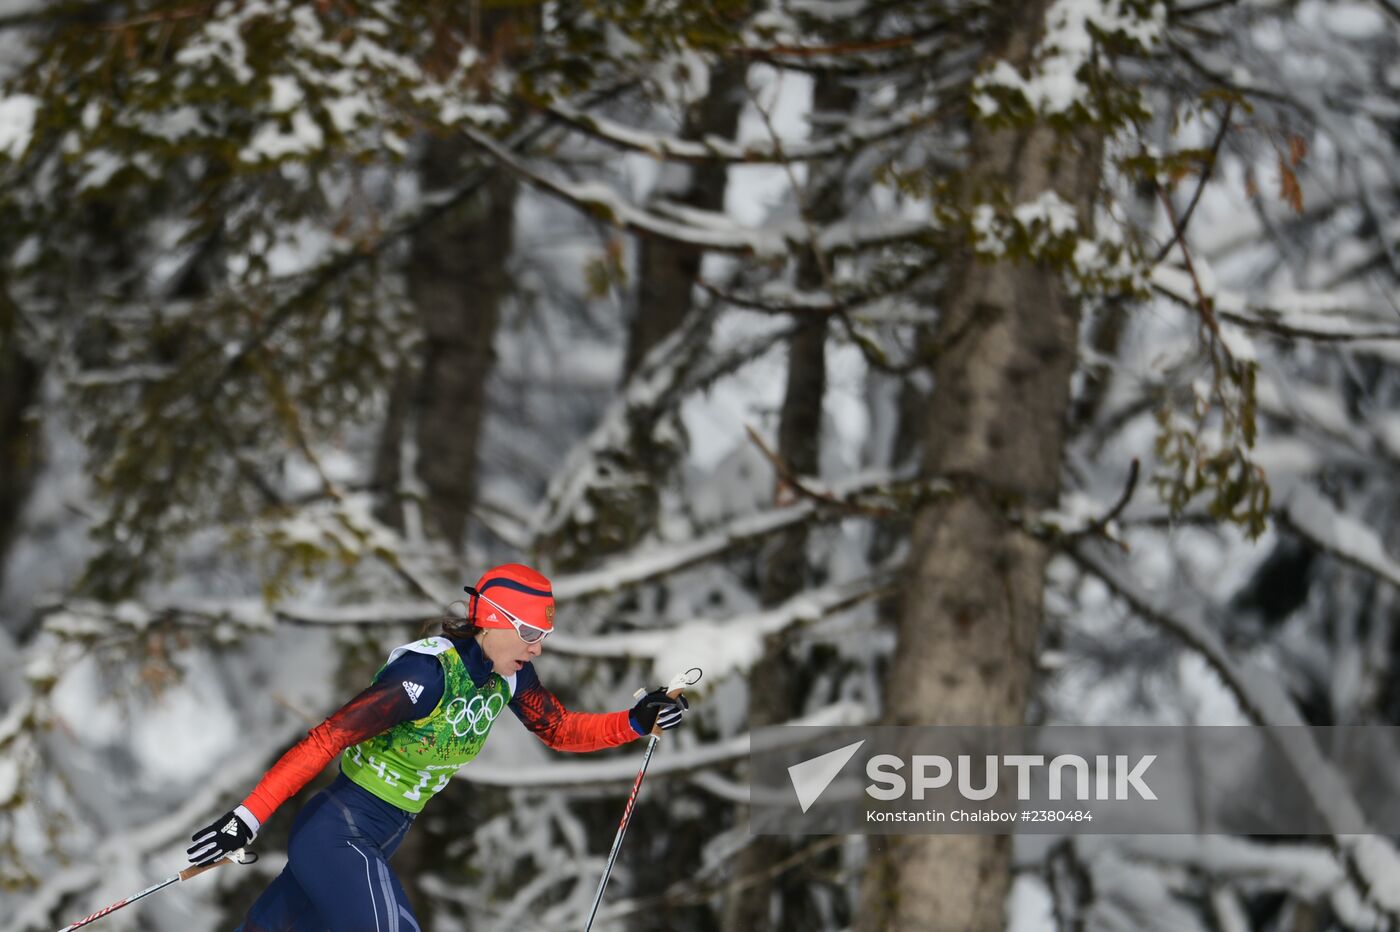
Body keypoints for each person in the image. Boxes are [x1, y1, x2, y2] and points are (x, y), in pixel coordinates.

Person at [187, 563, 688, 931]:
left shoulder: (508, 676)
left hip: (380, 837)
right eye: (530, 632)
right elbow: (327, 738)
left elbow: (558, 729)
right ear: (492, 620)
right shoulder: (425, 676)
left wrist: (634, 721)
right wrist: (246, 819)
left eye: (545, 635)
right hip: (338, 832)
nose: (537, 647)